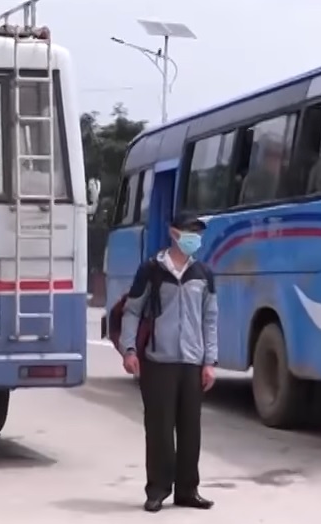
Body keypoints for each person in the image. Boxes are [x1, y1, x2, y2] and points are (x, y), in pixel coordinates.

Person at [118, 214, 220, 513]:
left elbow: (210, 319)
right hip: (158, 360)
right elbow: (132, 311)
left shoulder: (203, 274)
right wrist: (129, 350)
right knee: (160, 429)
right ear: (173, 233)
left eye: (198, 233)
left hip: (192, 360)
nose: (195, 238)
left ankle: (188, 490)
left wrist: (210, 360)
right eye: (190, 232)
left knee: (191, 429)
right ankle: (158, 490)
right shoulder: (152, 270)